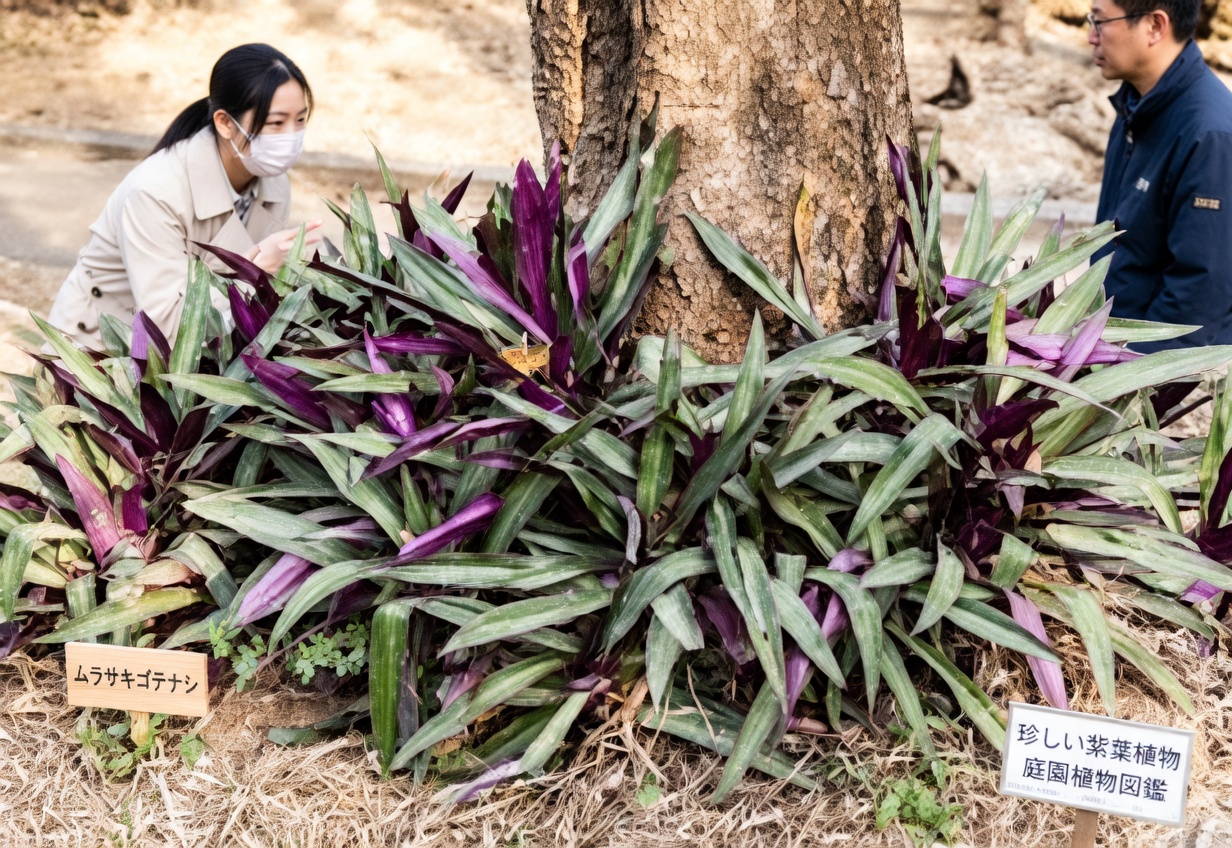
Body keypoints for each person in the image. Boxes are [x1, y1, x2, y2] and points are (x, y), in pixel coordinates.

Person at [49, 43, 323, 348]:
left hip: (198, 351)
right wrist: (257, 273)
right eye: (276, 123)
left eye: (300, 120)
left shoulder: (274, 184)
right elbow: (165, 323)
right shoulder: (156, 192)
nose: (290, 136)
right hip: (99, 352)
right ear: (225, 123)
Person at [1089, 0, 1232, 352]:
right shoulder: (1136, 107)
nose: (1091, 37)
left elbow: (1198, 296)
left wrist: (1133, 368)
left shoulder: (1208, 133)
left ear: (1155, 26)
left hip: (1150, 368)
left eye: (1100, 21)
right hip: (1110, 349)